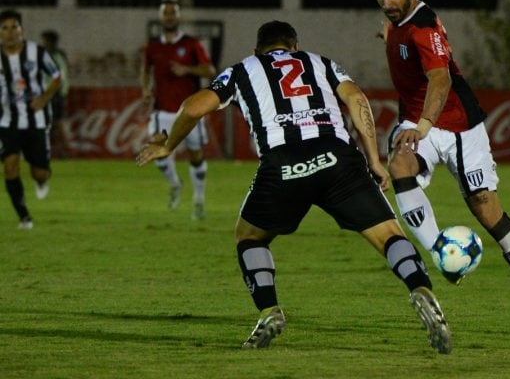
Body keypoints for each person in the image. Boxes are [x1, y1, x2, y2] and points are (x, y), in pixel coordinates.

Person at [137, 20, 453, 354]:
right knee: (390, 234)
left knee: (249, 236)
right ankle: (420, 288)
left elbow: (192, 107)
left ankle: (269, 310)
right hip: (338, 159)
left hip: (284, 164)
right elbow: (357, 98)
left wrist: (169, 146)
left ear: (257, 51)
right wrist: (374, 159)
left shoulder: (243, 69)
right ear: (295, 47)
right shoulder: (321, 62)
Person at [369, 0, 510, 338]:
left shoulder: (424, 27)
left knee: (486, 210)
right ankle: (441, 256)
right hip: (418, 120)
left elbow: (440, 80)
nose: (386, 4)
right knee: (400, 166)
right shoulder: (401, 23)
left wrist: (423, 126)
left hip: (457, 125)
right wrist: (391, 36)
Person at [140, 0, 216, 220]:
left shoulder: (192, 44)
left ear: (179, 17)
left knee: (195, 156)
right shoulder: (153, 46)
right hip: (162, 109)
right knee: (157, 150)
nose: (170, 17)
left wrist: (187, 69)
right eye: (166, 13)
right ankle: (175, 184)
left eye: (173, 13)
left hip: (190, 110)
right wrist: (145, 89)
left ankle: (199, 201)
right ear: (161, 17)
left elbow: (209, 69)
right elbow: (145, 71)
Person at [0, 9, 62, 229]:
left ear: (22, 30)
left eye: (14, 27)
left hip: (36, 119)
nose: (10, 33)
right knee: (10, 166)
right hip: (7, 122)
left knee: (40, 172)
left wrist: (44, 99)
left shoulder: (37, 52)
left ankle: (42, 180)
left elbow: (56, 76)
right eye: (5, 28)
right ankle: (24, 216)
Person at [41, 29, 71, 159]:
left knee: (58, 124)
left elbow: (63, 77)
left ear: (53, 42)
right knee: (44, 124)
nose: (44, 43)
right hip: (44, 95)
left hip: (55, 95)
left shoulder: (57, 56)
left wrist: (62, 94)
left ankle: (65, 152)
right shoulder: (44, 55)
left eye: (46, 40)